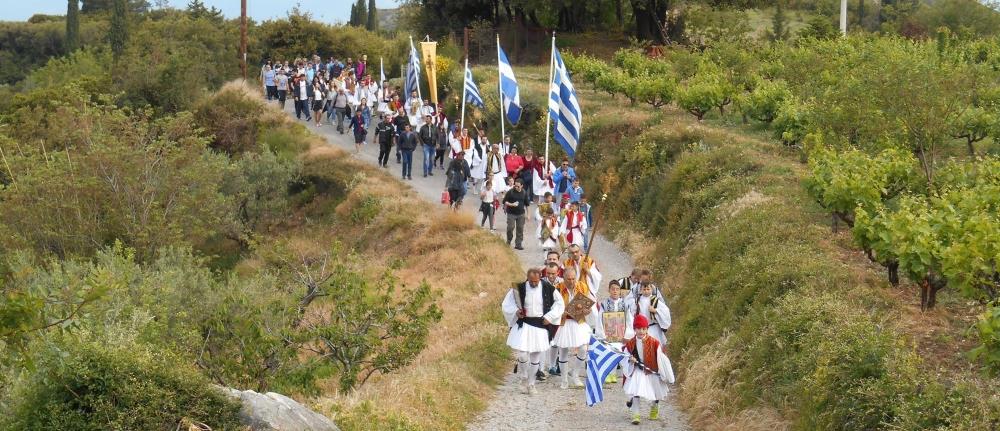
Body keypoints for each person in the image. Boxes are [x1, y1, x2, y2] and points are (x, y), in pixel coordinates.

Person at [502, 268, 564, 395]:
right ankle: (524, 376)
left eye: (536, 281)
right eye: (531, 281)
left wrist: (550, 317)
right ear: (527, 278)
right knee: (522, 355)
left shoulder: (548, 288)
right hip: (525, 324)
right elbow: (506, 304)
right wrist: (516, 311)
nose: (534, 284)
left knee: (535, 356)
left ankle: (531, 384)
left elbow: (560, 304)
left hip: (540, 324)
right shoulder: (519, 288)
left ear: (540, 277)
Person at [623, 314, 675, 425]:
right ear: (635, 329)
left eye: (644, 329)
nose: (641, 331)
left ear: (647, 329)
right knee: (636, 391)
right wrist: (630, 359)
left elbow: (661, 359)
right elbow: (625, 356)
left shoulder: (654, 343)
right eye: (638, 329)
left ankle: (654, 407)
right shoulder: (630, 343)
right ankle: (636, 414)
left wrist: (662, 373)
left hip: (652, 369)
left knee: (655, 392)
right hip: (638, 369)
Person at [550, 267, 597, 389]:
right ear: (563, 278)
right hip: (564, 321)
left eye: (573, 278)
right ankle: (564, 379)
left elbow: (589, 304)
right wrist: (563, 312)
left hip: (578, 320)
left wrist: (587, 310)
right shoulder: (557, 289)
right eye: (568, 279)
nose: (571, 281)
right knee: (563, 350)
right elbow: (553, 307)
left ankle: (575, 374)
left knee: (583, 348)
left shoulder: (582, 286)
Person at [624, 282, 671, 346]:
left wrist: (655, 310)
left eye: (648, 289)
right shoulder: (637, 301)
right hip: (642, 330)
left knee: (657, 347)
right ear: (641, 290)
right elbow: (631, 313)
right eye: (644, 289)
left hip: (654, 329)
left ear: (651, 289)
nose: (646, 291)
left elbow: (665, 311)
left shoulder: (655, 300)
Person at [600, 279, 628, 384]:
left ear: (620, 291)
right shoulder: (604, 304)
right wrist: (602, 334)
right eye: (613, 289)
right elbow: (600, 318)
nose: (615, 291)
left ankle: (614, 373)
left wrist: (627, 334)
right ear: (609, 290)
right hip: (608, 333)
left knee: (618, 352)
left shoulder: (625, 304)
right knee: (609, 352)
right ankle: (608, 374)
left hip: (620, 333)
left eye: (617, 289)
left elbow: (629, 319)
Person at [502, 179, 531, 250]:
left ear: (522, 186)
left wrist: (528, 214)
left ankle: (518, 244)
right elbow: (504, 202)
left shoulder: (524, 193)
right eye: (515, 185)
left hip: (521, 214)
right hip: (511, 213)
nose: (516, 187)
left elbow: (527, 204)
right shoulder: (510, 192)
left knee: (520, 229)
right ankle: (508, 241)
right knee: (510, 227)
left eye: (518, 186)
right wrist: (511, 204)